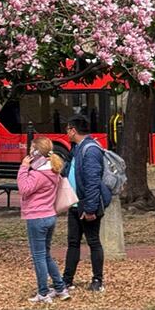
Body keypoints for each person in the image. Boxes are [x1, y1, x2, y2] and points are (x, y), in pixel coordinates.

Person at [18, 137, 72, 304]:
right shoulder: (53, 171)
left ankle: (43, 291)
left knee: (38, 256)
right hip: (49, 216)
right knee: (46, 255)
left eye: (32, 149)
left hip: (37, 217)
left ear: (36, 152)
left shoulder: (39, 173)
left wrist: (23, 168)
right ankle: (60, 287)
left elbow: (24, 189)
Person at [61, 115, 111, 293]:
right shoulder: (77, 148)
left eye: (67, 129)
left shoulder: (90, 150)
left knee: (93, 242)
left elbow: (92, 181)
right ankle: (67, 280)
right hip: (75, 204)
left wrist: (90, 209)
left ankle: (98, 280)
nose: (66, 133)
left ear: (73, 130)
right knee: (73, 242)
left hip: (88, 204)